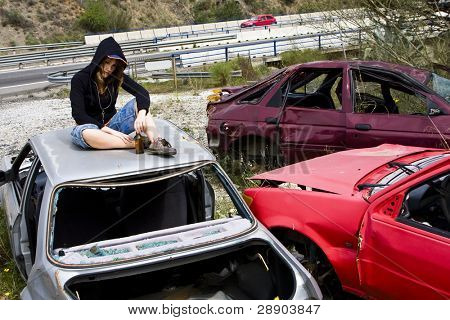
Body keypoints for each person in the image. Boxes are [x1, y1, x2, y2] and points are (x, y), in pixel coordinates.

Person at [70, 36, 175, 154]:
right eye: (106, 62)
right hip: (91, 128)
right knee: (86, 134)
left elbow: (142, 93)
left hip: (113, 124)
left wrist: (140, 115)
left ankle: (156, 142)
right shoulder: (79, 79)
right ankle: (139, 144)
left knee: (140, 106)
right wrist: (110, 132)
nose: (109, 69)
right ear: (99, 59)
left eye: (114, 65)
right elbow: (78, 115)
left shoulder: (115, 76)